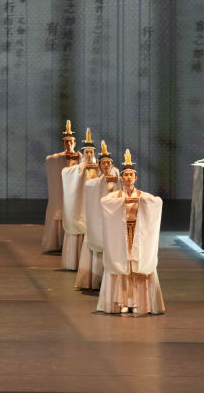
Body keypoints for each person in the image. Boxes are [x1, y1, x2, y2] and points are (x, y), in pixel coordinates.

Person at [97, 149, 165, 315]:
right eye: (125, 175)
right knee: (123, 268)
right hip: (122, 235)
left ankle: (136, 302)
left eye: (131, 175)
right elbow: (104, 202)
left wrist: (140, 201)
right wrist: (123, 200)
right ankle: (123, 301)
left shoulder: (142, 195)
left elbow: (157, 202)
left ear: (135, 178)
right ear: (122, 178)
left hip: (137, 234)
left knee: (136, 268)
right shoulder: (116, 196)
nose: (128, 178)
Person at [75, 141, 118, 291]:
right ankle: (95, 278)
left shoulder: (117, 179)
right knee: (96, 243)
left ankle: (112, 278)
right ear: (99, 165)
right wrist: (103, 181)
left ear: (112, 165)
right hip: (97, 219)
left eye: (108, 163)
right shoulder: (93, 182)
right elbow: (90, 190)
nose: (106, 165)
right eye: (103, 163)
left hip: (112, 219)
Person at [61, 128, 98, 271]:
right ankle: (75, 262)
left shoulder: (98, 167)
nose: (89, 154)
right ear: (83, 153)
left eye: (91, 152)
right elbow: (65, 173)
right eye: (86, 152)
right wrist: (80, 169)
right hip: (81, 203)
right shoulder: (78, 168)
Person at [42, 120, 78, 253]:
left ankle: (73, 244)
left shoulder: (79, 157)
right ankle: (58, 243)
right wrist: (62, 157)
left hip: (75, 191)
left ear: (74, 143)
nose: (69, 144)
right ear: (63, 144)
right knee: (59, 214)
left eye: (71, 142)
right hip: (61, 191)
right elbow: (49, 159)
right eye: (66, 142)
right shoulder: (57, 158)